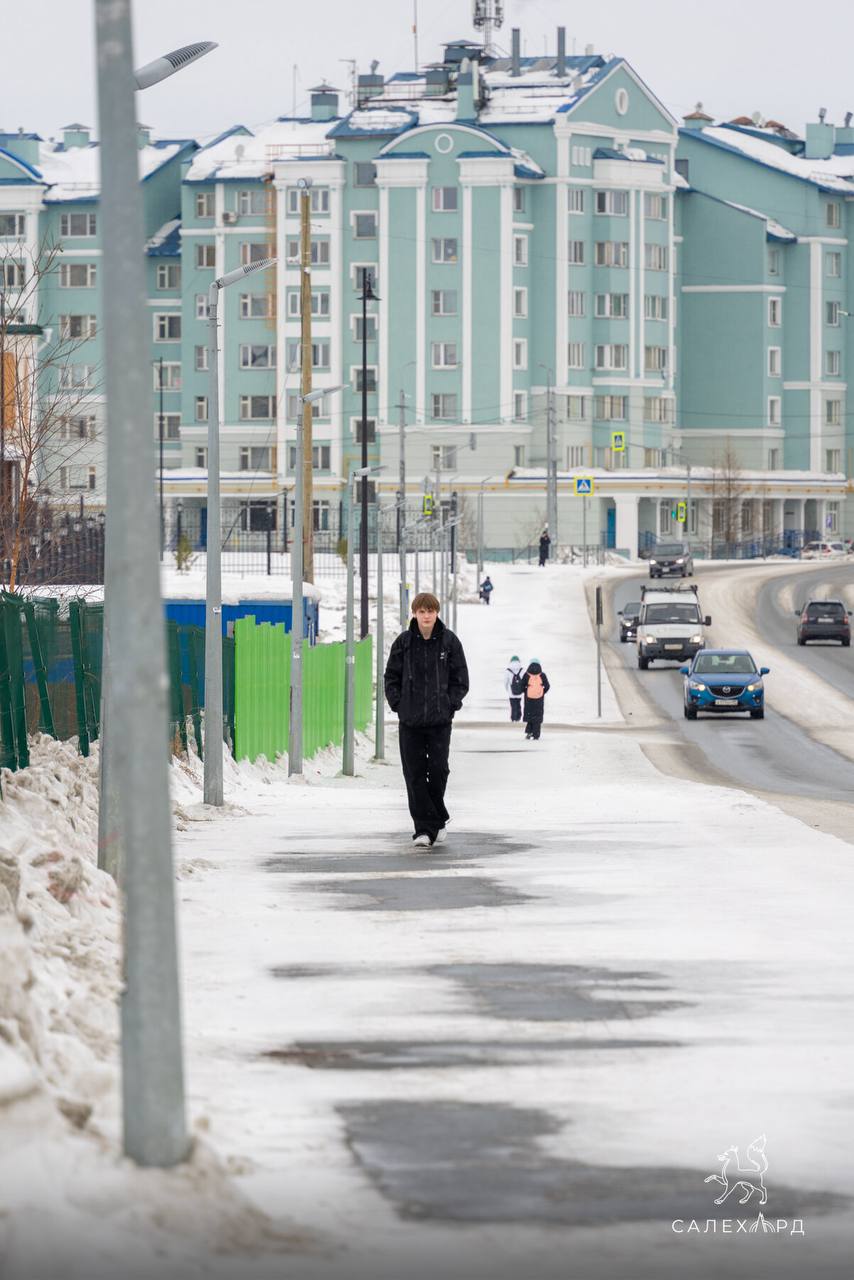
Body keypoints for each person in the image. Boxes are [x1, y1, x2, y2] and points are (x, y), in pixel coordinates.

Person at [384, 592, 469, 849]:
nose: (426, 616)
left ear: (437, 613)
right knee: (415, 774)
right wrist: (400, 705)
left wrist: (450, 704)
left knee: (439, 770)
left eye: (430, 611)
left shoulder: (449, 642)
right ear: (414, 613)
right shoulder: (404, 643)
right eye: (421, 611)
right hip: (410, 722)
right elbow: (391, 677)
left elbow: (461, 678)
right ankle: (424, 828)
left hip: (439, 722)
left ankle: (436, 819)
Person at [521, 659, 550, 740]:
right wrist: (542, 692)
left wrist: (526, 691)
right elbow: (547, 686)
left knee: (530, 715)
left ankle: (529, 732)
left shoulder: (527, 675)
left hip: (529, 698)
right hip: (539, 698)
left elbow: (521, 686)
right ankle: (536, 735)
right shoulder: (542, 675)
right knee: (537, 716)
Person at [505, 655, 524, 722]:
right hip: (519, 691)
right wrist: (523, 689)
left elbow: (505, 682)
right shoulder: (522, 669)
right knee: (518, 704)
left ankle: (513, 718)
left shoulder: (508, 670)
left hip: (511, 692)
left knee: (513, 706)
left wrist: (507, 689)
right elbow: (524, 680)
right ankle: (518, 717)